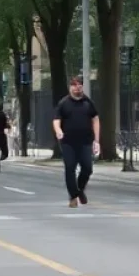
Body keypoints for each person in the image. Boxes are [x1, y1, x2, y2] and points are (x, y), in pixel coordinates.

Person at [53, 77, 100, 208]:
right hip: (68, 142)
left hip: (85, 141)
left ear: (82, 87)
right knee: (70, 167)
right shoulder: (64, 103)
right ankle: (73, 196)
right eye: (74, 85)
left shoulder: (88, 102)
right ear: (70, 87)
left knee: (87, 168)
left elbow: (95, 119)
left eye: (79, 85)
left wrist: (97, 140)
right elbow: (56, 120)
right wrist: (58, 130)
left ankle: (79, 189)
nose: (77, 87)